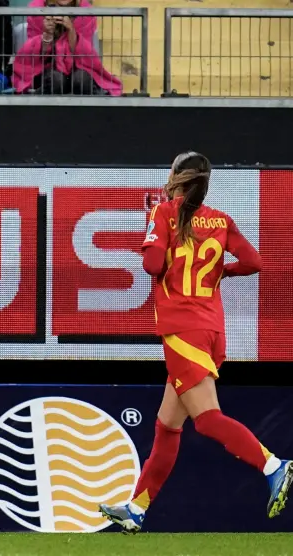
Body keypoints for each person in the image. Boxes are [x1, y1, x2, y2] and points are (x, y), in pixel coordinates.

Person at [100, 152, 292, 532]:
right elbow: (254, 262)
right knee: (167, 426)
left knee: (206, 420)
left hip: (182, 330)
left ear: (176, 177)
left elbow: (153, 266)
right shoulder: (220, 219)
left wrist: (153, 230)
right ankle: (137, 508)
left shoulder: (164, 213)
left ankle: (274, 465)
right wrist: (221, 272)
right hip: (211, 329)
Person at [12, 0, 122, 96]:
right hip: (46, 67)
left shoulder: (86, 12)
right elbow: (34, 56)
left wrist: (71, 31)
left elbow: (86, 54)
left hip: (79, 66)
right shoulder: (37, 11)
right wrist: (47, 35)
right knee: (56, 79)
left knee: (81, 79)